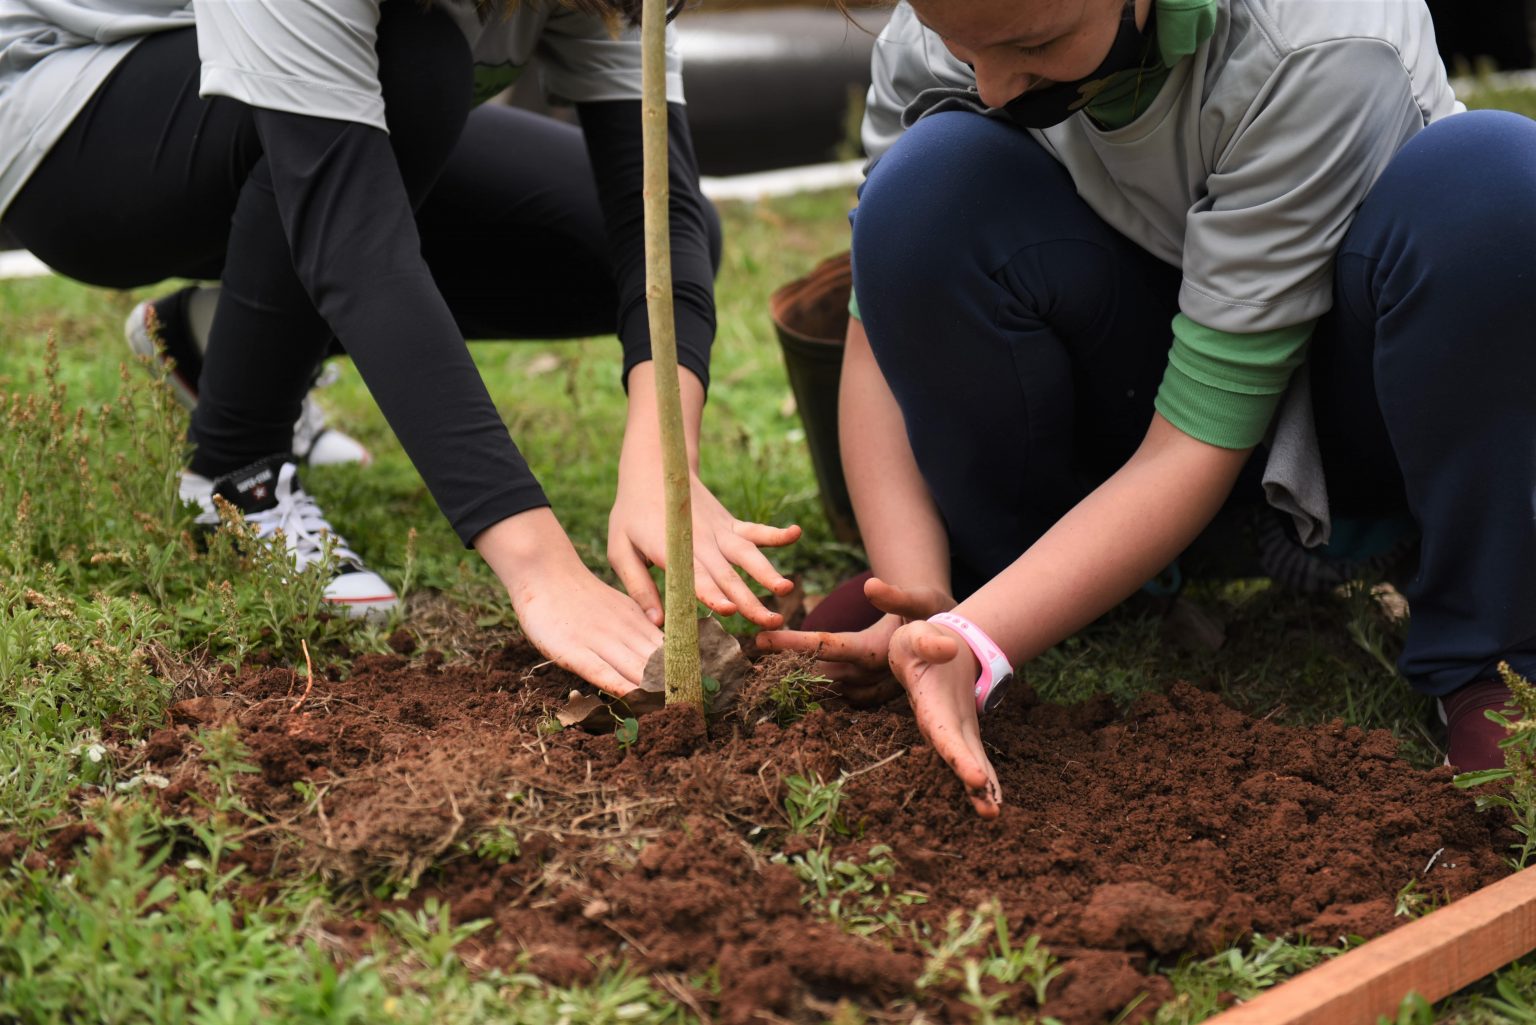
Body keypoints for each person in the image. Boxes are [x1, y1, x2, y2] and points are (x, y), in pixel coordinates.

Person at [758, 0, 1536, 815]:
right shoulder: (951, 19)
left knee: (1490, 182)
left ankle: (1489, 655)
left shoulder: (1323, 45)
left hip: (1353, 405)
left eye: (1035, 42)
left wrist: (979, 642)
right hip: (1143, 367)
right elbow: (877, 335)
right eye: (962, 47)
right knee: (921, 195)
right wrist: (916, 596)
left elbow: (1200, 431)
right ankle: (1014, 571)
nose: (990, 87)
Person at [0, 0, 800, 697]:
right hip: (67, 118)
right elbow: (357, 243)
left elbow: (654, 209)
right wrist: (541, 568)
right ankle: (234, 472)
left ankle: (216, 344)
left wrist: (664, 459)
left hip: (305, 107)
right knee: (415, 62)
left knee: (612, 237)